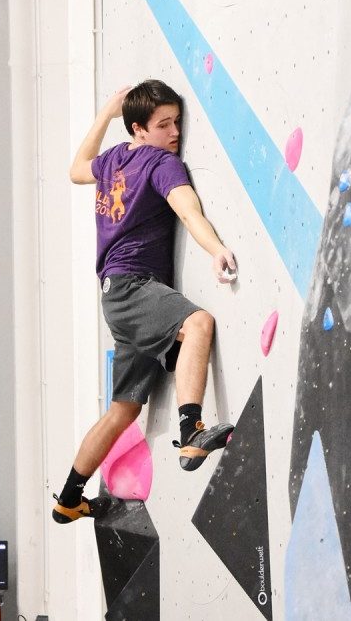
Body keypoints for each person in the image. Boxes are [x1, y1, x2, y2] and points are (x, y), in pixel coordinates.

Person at [52, 79, 237, 523]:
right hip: (134, 287)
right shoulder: (160, 163)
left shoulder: (116, 158)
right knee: (199, 324)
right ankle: (192, 430)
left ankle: (69, 498)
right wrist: (216, 251)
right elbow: (189, 210)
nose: (175, 133)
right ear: (138, 128)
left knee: (124, 408)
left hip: (117, 295)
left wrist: (105, 114)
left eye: (178, 122)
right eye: (164, 124)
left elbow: (78, 168)